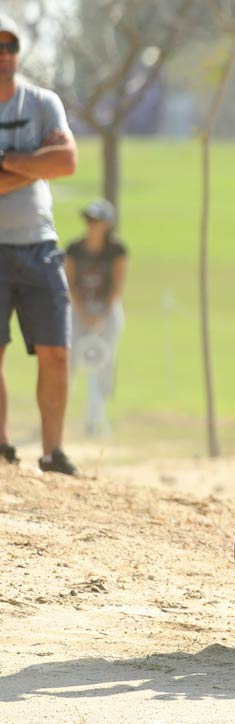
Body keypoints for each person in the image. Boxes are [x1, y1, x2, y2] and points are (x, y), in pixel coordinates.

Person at [0, 13, 79, 475]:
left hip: (39, 244)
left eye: (11, 47)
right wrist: (34, 163)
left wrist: (7, 161)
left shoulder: (42, 101)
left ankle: (53, 452)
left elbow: (66, 161)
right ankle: (3, 445)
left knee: (56, 350)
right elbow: (48, 162)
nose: (5, 55)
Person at [66, 200, 127, 438]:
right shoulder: (74, 248)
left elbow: (117, 286)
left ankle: (96, 416)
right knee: (70, 360)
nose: (91, 225)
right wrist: (83, 314)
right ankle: (64, 413)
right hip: (79, 310)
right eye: (89, 220)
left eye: (96, 220)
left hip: (106, 311)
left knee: (104, 361)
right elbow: (70, 284)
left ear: (107, 224)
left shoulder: (117, 250)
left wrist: (100, 317)